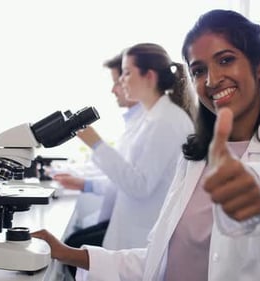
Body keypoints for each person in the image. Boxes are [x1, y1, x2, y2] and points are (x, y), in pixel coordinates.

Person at [32, 9, 260, 281]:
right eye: (199, 70)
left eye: (226, 60)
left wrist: (253, 186)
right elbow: (162, 259)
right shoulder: (195, 158)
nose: (212, 79)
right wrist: (70, 254)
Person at [53, 42, 195, 254]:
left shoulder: (166, 121)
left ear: (150, 76)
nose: (121, 81)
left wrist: (97, 144)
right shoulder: (152, 117)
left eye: (127, 73)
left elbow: (139, 185)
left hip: (143, 233)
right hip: (132, 228)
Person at [51, 52, 146, 277]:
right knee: (74, 242)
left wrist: (95, 146)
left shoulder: (151, 124)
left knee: (73, 245)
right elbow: (117, 172)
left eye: (118, 82)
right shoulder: (136, 122)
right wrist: (80, 179)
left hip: (135, 229)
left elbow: (130, 180)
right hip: (122, 219)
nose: (114, 90)